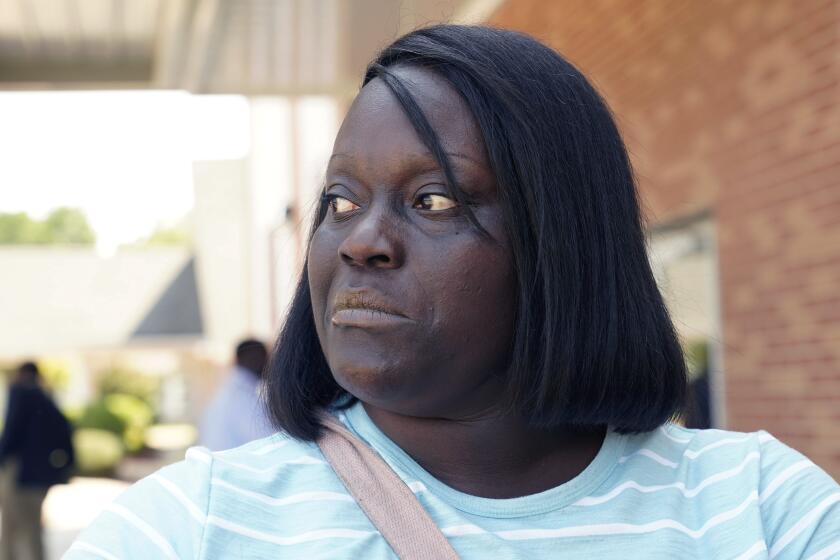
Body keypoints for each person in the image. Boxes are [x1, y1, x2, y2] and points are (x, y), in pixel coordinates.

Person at [66, 25, 839, 559]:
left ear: (561, 242)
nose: (362, 239)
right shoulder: (189, 527)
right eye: (340, 200)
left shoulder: (763, 510)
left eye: (433, 200)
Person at [0, 362, 74, 560]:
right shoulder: (46, 399)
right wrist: (64, 467)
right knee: (31, 529)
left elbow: (11, 432)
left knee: (14, 529)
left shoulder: (20, 393)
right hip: (39, 477)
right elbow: (66, 432)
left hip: (20, 474)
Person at [200, 339, 274, 451]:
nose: (269, 363)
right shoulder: (243, 398)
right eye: (266, 357)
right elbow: (271, 442)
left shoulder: (227, 392)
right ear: (256, 358)